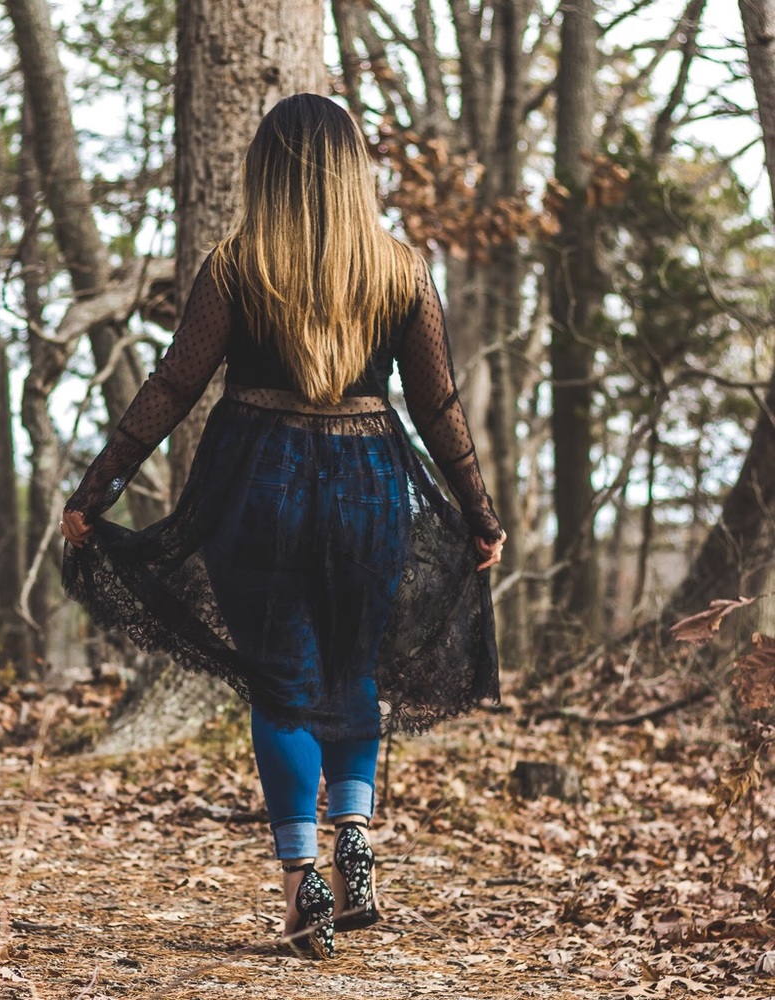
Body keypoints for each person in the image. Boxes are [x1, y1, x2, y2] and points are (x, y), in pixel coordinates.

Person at [59, 93, 505, 960]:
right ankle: (355, 829)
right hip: (370, 482)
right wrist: (478, 511)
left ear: (266, 172)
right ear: (354, 172)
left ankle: (304, 887)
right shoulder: (400, 271)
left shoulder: (238, 264)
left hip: (258, 482)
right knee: (354, 665)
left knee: (282, 679)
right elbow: (438, 403)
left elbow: (173, 385)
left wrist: (97, 488)